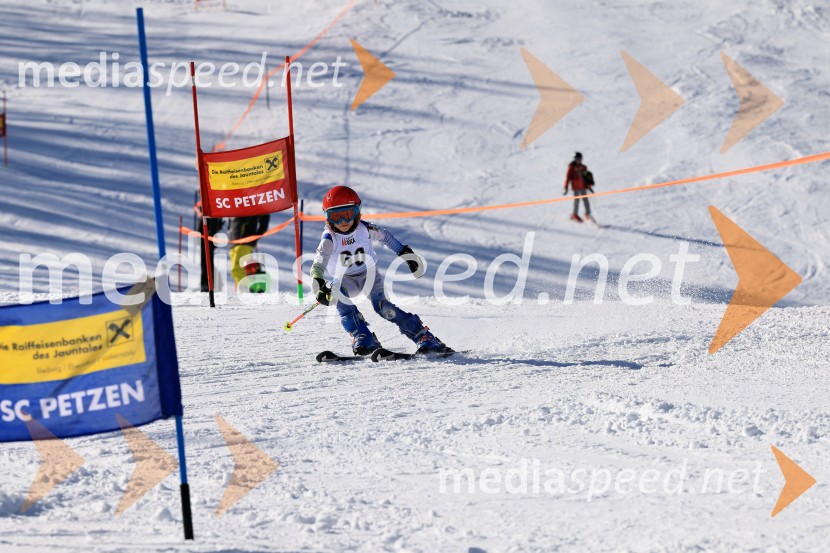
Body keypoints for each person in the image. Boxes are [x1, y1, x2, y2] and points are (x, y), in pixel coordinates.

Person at [310, 185, 451, 355]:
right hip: (346, 280)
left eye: (348, 214)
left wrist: (405, 253)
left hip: (368, 275)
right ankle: (362, 336)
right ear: (327, 217)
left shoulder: (365, 229)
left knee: (383, 308)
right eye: (336, 216)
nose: (343, 222)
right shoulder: (329, 239)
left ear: (357, 211)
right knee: (336, 293)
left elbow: (386, 237)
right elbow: (318, 264)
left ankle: (423, 336)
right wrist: (318, 283)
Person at [229, 214, 270, 293]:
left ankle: (247, 293)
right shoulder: (238, 202)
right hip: (235, 241)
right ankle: (251, 291)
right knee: (244, 270)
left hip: (244, 240)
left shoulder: (251, 202)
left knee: (237, 271)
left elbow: (265, 214)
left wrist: (259, 232)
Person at [563, 151, 592, 222]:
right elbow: (568, 178)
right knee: (577, 201)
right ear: (574, 159)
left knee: (586, 200)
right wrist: (566, 187)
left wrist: (589, 186)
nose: (579, 160)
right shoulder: (571, 167)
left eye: (580, 159)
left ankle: (587, 214)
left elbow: (586, 177)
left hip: (583, 186)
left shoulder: (583, 167)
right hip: (575, 187)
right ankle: (574, 214)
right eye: (577, 159)